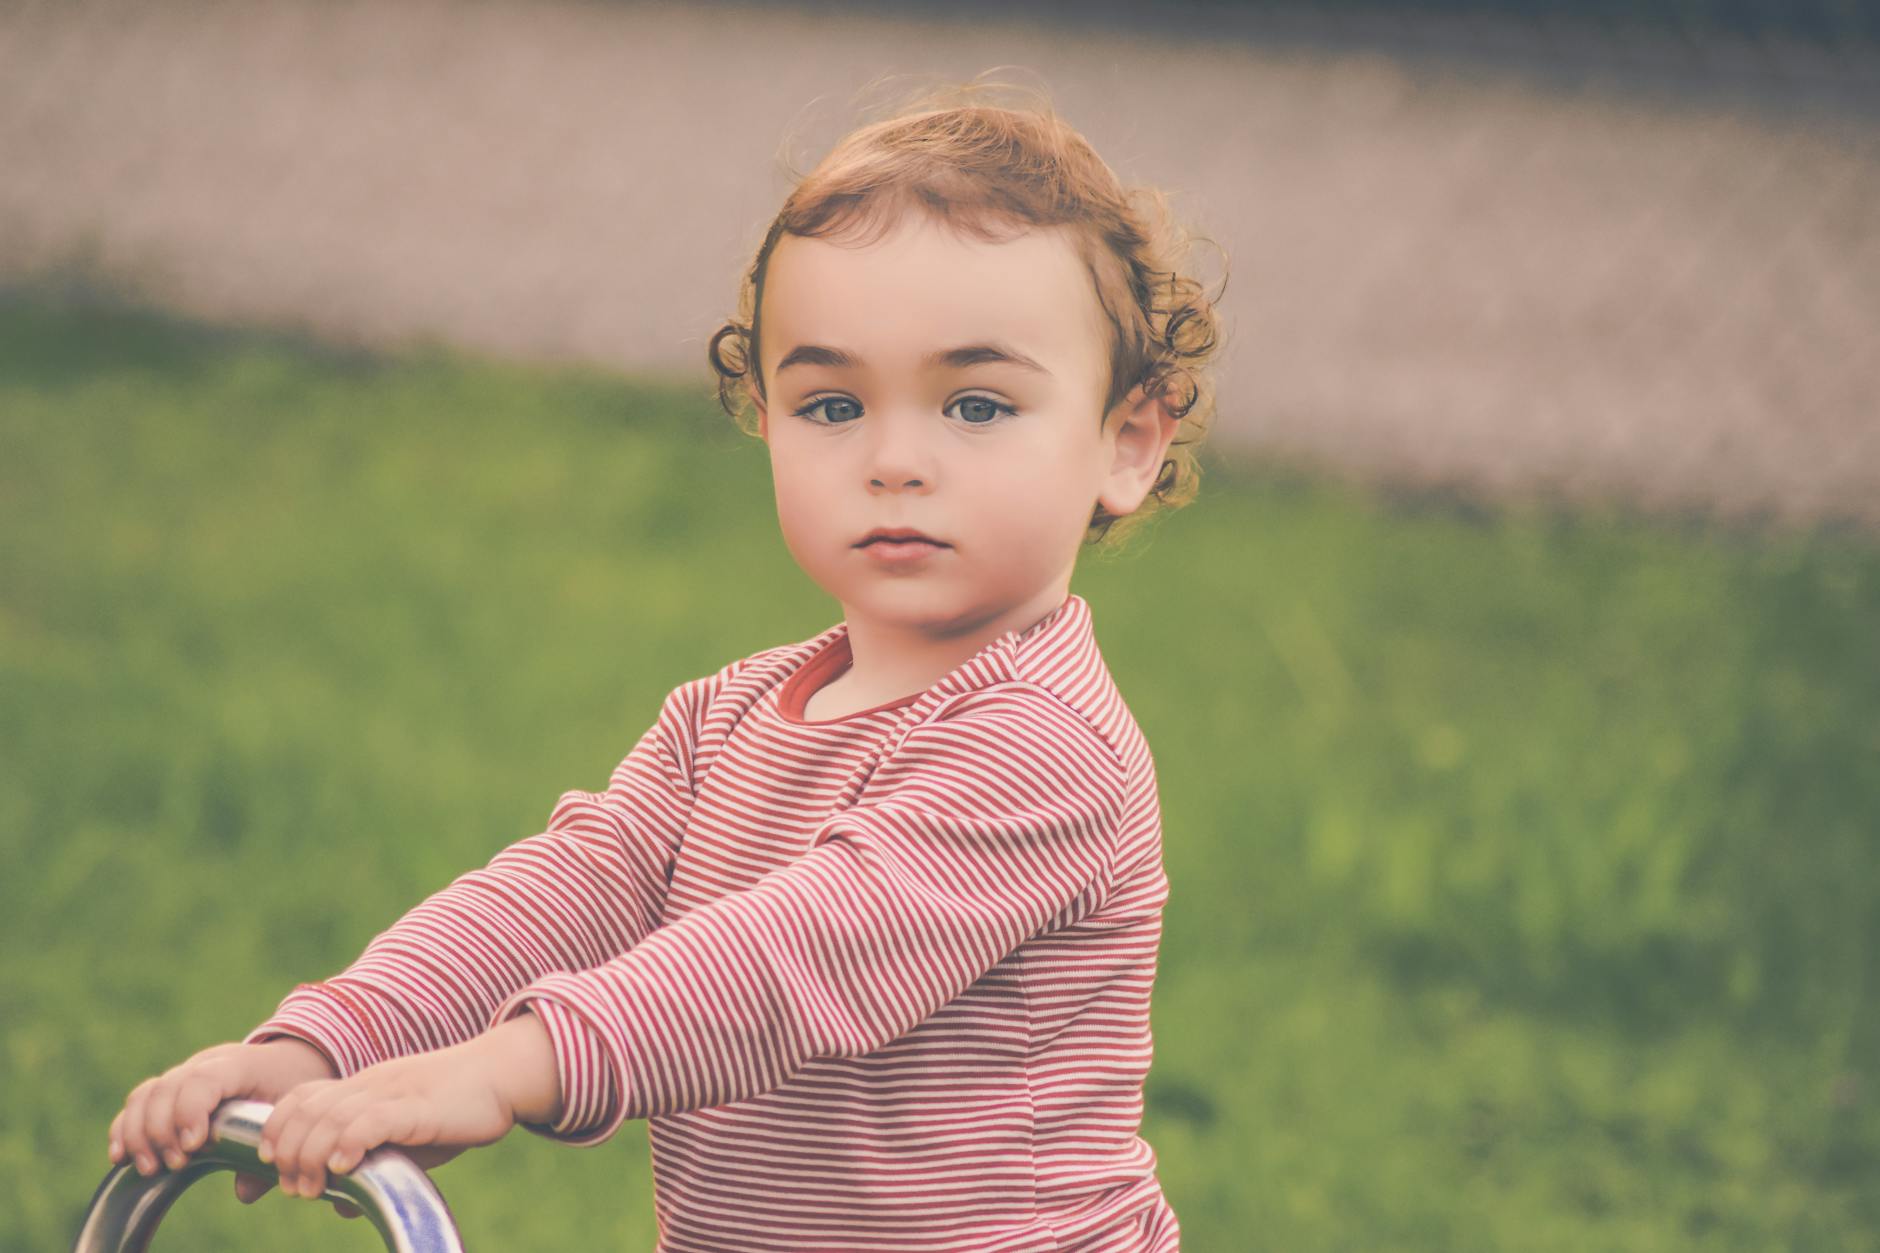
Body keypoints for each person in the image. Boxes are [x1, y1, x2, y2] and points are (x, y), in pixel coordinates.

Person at [105, 79, 1224, 1251]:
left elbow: (796, 957)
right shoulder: (726, 719)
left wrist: (511, 1067)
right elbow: (564, 894)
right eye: (833, 403)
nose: (894, 458)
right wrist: (323, 1044)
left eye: (977, 405)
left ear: (1127, 442)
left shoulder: (1045, 746)